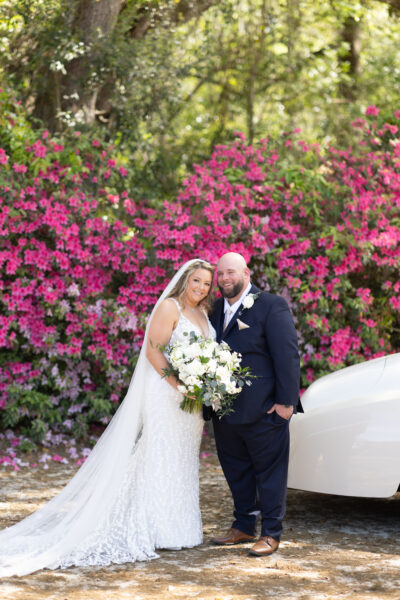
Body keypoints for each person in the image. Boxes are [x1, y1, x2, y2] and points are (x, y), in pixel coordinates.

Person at [0, 259, 215, 577]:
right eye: (197, 280)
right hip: (168, 393)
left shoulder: (203, 313)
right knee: (159, 455)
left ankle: (179, 529)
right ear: (185, 279)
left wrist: (204, 382)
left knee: (182, 459)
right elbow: (154, 351)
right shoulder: (170, 307)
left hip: (192, 400)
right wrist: (180, 385)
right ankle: (155, 528)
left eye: (207, 284)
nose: (201, 288)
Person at [208, 252, 300, 557]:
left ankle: (271, 532)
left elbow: (287, 356)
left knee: (270, 473)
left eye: (231, 272)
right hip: (225, 410)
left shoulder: (272, 305)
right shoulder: (212, 309)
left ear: (246, 272)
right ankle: (243, 525)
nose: (224, 279)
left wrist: (285, 403)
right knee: (236, 471)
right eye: (220, 274)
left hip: (264, 410)